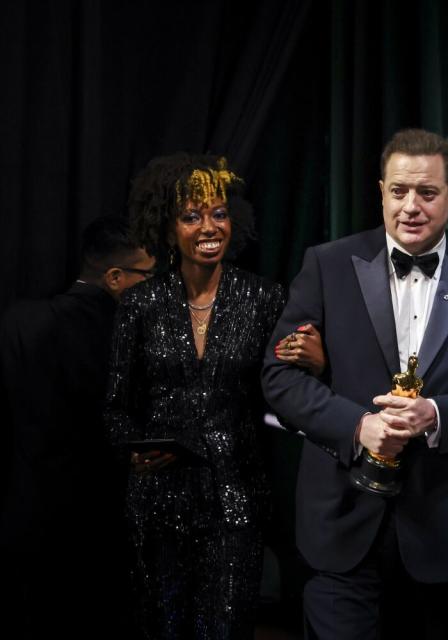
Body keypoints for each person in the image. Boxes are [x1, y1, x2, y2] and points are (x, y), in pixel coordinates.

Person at [261, 128, 448, 639]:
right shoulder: (327, 264)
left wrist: (437, 414)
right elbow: (278, 377)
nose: (411, 206)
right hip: (339, 518)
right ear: (381, 191)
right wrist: (357, 425)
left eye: (427, 193)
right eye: (398, 191)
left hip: (438, 529)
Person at [104, 154, 285, 639]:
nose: (210, 226)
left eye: (219, 213)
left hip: (236, 501)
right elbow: (116, 407)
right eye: (192, 216)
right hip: (158, 504)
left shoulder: (264, 298)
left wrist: (313, 359)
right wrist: (137, 451)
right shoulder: (140, 304)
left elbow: (285, 391)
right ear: (167, 229)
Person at [0, 216, 154, 637]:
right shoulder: (130, 336)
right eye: (150, 275)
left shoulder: (17, 321)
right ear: (116, 277)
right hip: (97, 525)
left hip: (25, 513)